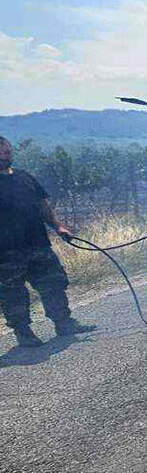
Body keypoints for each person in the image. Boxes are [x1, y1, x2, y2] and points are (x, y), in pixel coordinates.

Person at [0, 136, 96, 348]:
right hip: (6, 253)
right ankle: (23, 333)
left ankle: (64, 323)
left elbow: (43, 205)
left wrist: (58, 226)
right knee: (13, 294)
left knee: (53, 283)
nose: (6, 154)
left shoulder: (25, 177)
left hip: (37, 244)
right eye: (2, 151)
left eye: (7, 150)